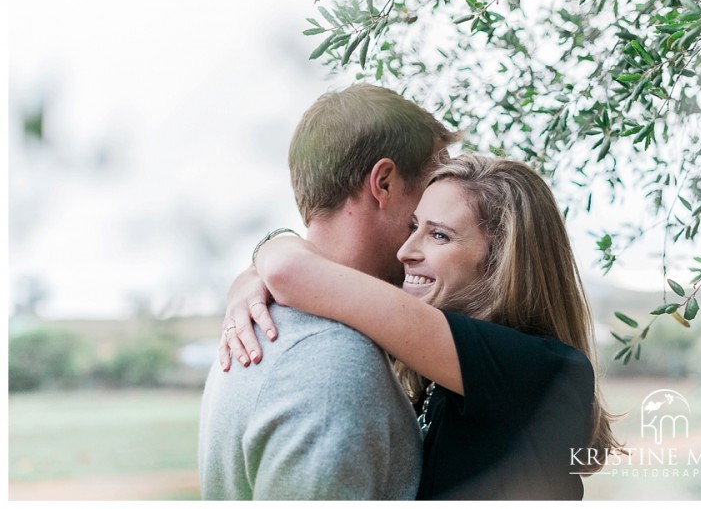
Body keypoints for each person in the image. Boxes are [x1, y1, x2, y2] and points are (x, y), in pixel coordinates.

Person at [223, 154, 624, 499]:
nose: (405, 251)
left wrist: (266, 252)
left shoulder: (538, 369)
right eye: (413, 226)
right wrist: (254, 276)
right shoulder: (445, 381)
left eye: (438, 235)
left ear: (501, 260)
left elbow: (291, 270)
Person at [197, 83, 460, 499]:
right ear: (385, 183)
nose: (434, 218)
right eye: (429, 192)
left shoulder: (270, 330)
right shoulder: (335, 362)